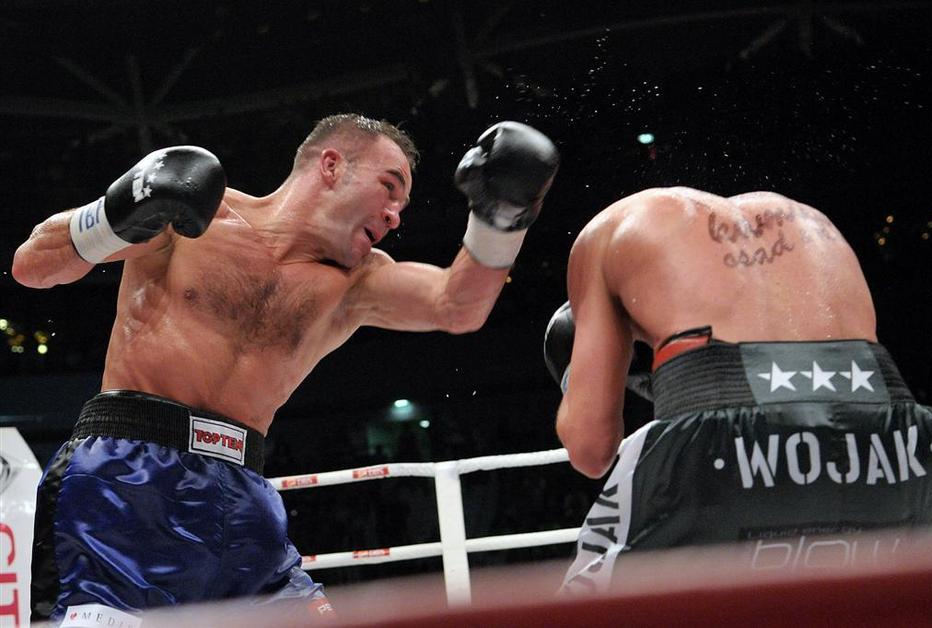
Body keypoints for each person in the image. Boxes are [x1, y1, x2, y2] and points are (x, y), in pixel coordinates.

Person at [12, 114, 559, 622]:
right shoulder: (194, 217)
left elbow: (458, 306)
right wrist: (119, 212)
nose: (395, 215)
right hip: (125, 482)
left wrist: (503, 216)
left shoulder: (355, 282)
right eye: (389, 188)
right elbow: (32, 265)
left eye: (402, 205)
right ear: (331, 165)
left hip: (242, 500)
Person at [543, 187, 932, 594]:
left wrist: (577, 380)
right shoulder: (809, 219)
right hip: (906, 442)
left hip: (726, 442)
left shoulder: (605, 233)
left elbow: (592, 451)